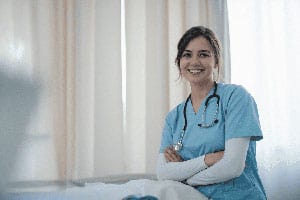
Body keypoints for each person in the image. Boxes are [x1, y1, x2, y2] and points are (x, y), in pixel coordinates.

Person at [156, 26, 267, 199]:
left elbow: (233, 166)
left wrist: (186, 177)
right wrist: (208, 159)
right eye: (187, 55)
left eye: (203, 54)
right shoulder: (174, 117)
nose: (194, 62)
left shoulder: (236, 97)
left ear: (216, 61)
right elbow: (163, 172)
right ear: (179, 63)